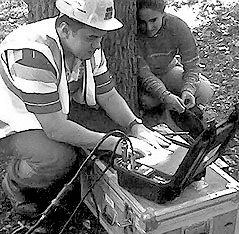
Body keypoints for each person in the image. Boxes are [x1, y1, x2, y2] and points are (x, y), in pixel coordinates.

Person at [0, 0, 166, 218]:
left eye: (100, 37)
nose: (97, 45)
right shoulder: (33, 53)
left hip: (51, 110)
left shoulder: (86, 43)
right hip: (12, 121)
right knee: (58, 158)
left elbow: (106, 94)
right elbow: (55, 129)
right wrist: (113, 143)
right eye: (91, 37)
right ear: (65, 30)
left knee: (108, 129)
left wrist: (136, 126)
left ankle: (79, 184)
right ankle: (15, 182)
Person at [137, 0, 215, 138]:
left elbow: (192, 64)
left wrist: (188, 89)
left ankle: (179, 109)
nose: (149, 27)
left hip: (168, 70)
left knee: (205, 91)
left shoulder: (177, 26)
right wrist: (164, 95)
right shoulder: (134, 33)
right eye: (143, 22)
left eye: (153, 20)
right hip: (144, 81)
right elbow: (145, 75)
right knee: (146, 102)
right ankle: (167, 114)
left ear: (163, 13)